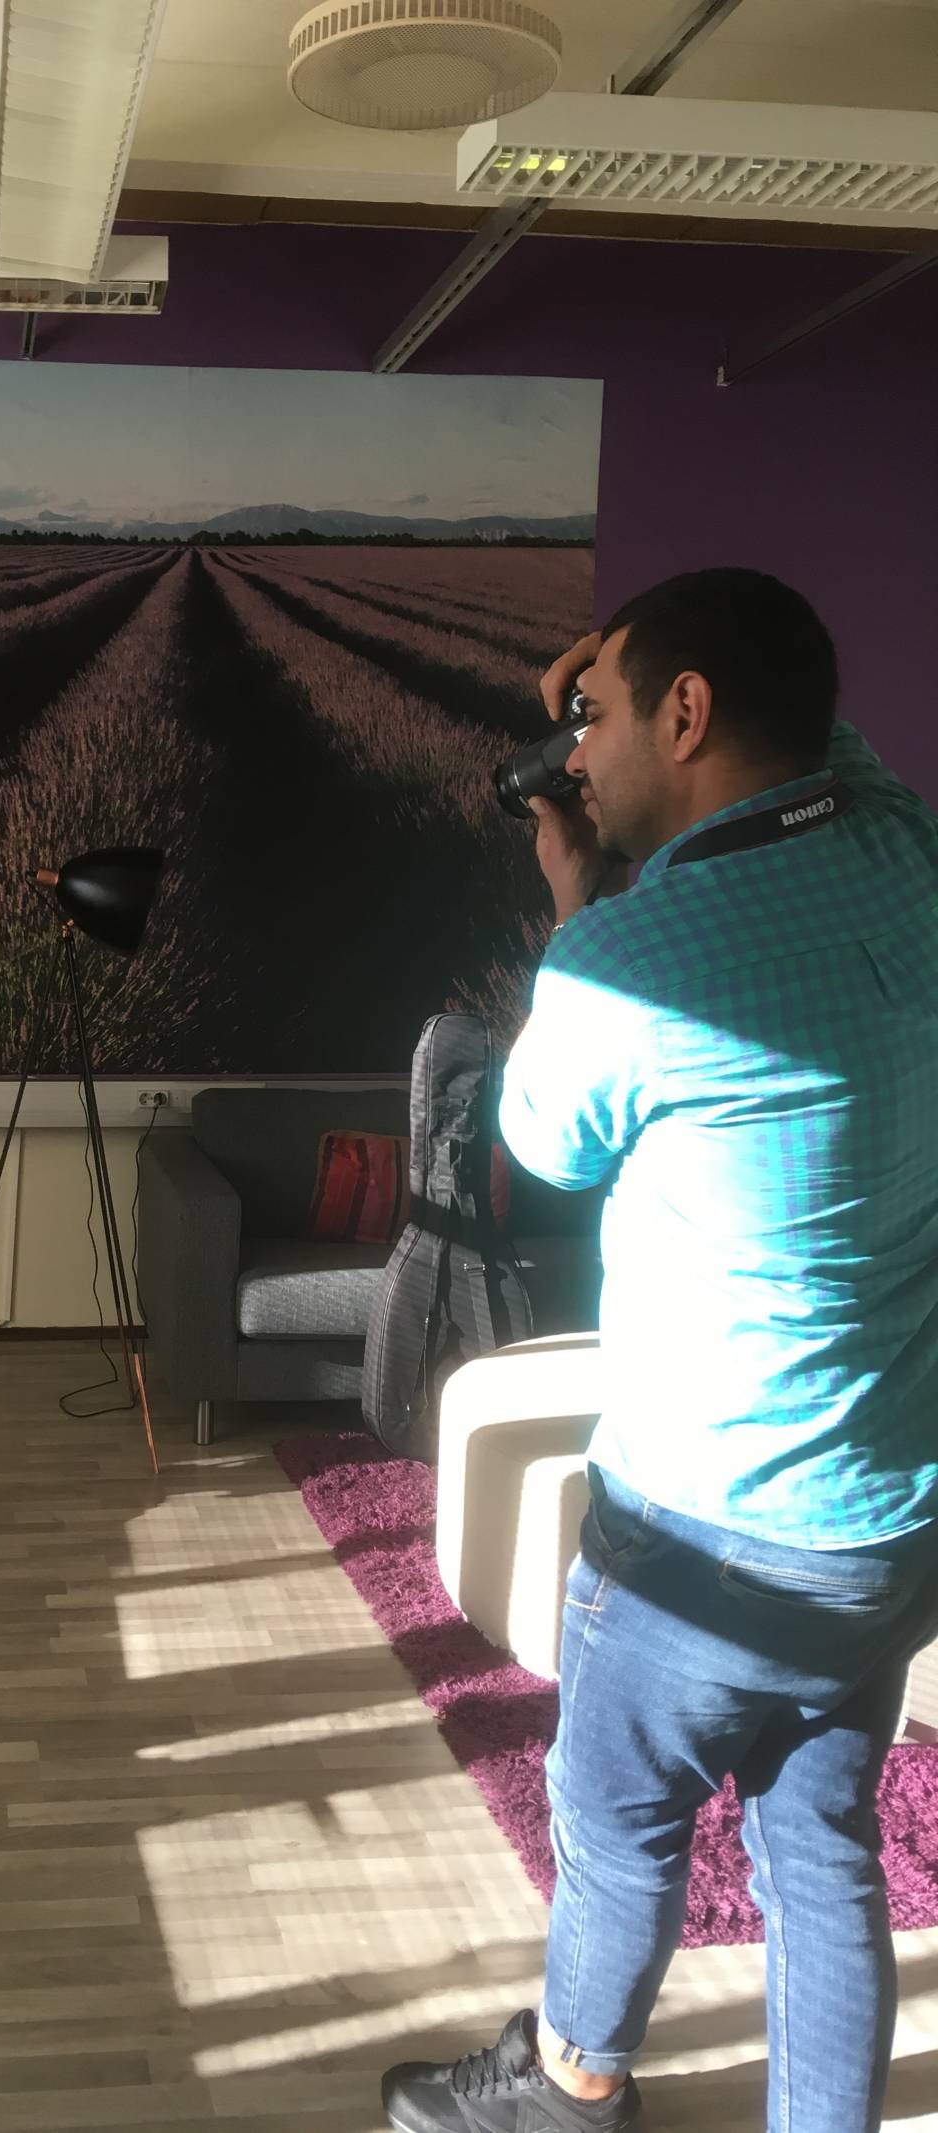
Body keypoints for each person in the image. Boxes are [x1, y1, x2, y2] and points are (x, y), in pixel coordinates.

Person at [380, 569, 938, 2133]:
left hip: (701, 1527)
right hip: (883, 1521)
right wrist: (617, 680)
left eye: (599, 715)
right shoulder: (904, 845)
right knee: (819, 1848)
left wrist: (577, 905)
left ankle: (566, 2094)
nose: (579, 749)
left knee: (617, 1828)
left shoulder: (635, 956)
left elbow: (543, 1147)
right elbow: (819, 740)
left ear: (687, 713)